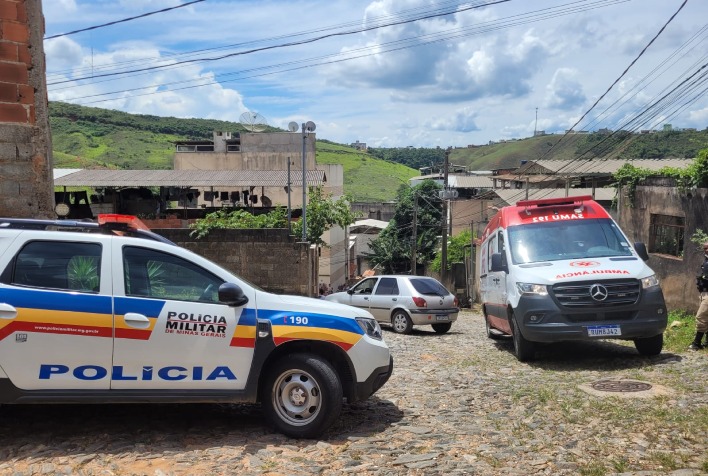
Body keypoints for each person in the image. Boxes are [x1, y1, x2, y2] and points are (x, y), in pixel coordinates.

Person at [689, 241, 708, 350]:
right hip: (703, 293)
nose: (706, 250)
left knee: (700, 317)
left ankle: (696, 343)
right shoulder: (705, 261)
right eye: (705, 248)